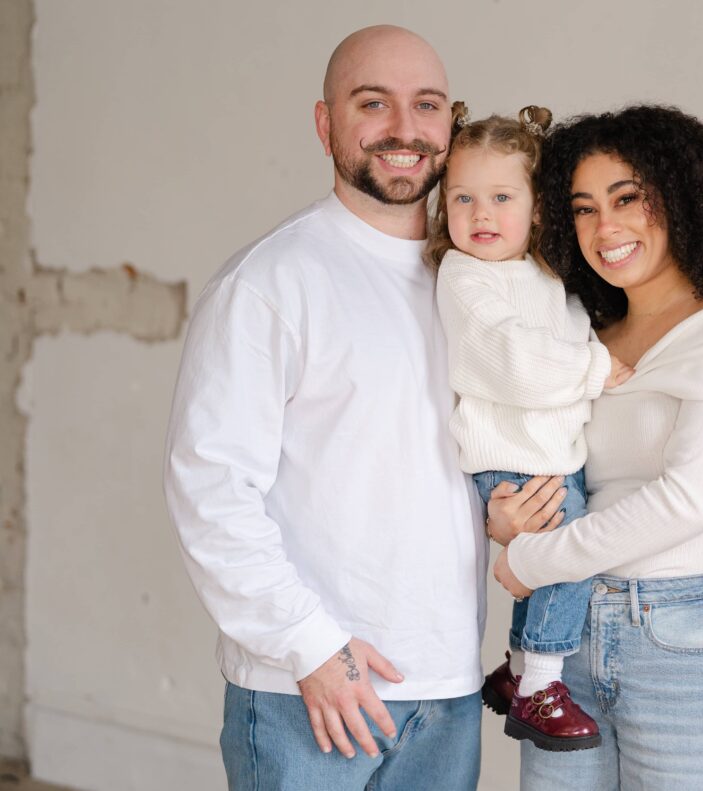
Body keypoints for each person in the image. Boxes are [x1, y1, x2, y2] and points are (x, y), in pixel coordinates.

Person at [163, 26, 486, 791]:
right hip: (307, 691)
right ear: (325, 122)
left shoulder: (478, 282)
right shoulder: (270, 282)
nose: (404, 128)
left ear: (451, 124)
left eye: (427, 105)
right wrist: (311, 646)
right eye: (373, 103)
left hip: (448, 687)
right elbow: (210, 486)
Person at [488, 105, 703, 790]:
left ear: (681, 196)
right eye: (584, 208)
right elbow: (540, 464)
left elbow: (690, 501)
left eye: (627, 198)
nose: (605, 228)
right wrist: (505, 518)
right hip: (567, 636)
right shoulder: (584, 337)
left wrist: (533, 558)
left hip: (688, 639)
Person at [427, 106, 636, 753]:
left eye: (500, 197)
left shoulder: (548, 276)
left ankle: (518, 667)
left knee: (553, 555)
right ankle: (540, 684)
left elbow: (570, 340)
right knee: (568, 547)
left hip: (548, 454)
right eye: (462, 198)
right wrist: (595, 368)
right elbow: (512, 361)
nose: (480, 214)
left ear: (538, 208)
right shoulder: (464, 276)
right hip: (510, 456)